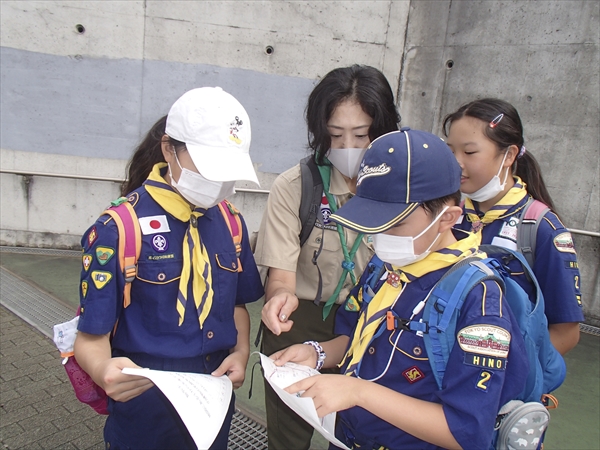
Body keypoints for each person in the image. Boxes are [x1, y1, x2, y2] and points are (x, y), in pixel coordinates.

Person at [271, 128, 529, 450]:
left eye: (395, 223)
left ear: (448, 217)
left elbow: (464, 431)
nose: (381, 236)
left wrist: (358, 393)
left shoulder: (479, 301)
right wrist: (319, 353)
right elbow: (355, 337)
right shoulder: (385, 266)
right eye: (373, 223)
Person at [73, 87, 264, 449]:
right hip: (145, 403)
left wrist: (239, 353)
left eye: (229, 171)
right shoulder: (119, 230)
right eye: (209, 166)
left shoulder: (231, 223)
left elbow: (237, 307)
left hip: (214, 399)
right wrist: (102, 370)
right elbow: (90, 335)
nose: (218, 182)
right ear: (168, 149)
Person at [253, 64, 400, 449]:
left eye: (362, 135)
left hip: (378, 324)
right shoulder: (296, 186)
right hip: (303, 323)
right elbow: (282, 278)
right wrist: (279, 298)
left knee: (361, 430)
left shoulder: (402, 189)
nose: (349, 148)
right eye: (336, 136)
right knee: (289, 435)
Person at [443, 98, 584, 355]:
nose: (456, 162)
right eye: (450, 150)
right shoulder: (449, 215)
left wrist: (513, 375)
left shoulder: (540, 228)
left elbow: (566, 332)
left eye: (469, 152)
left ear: (508, 155)